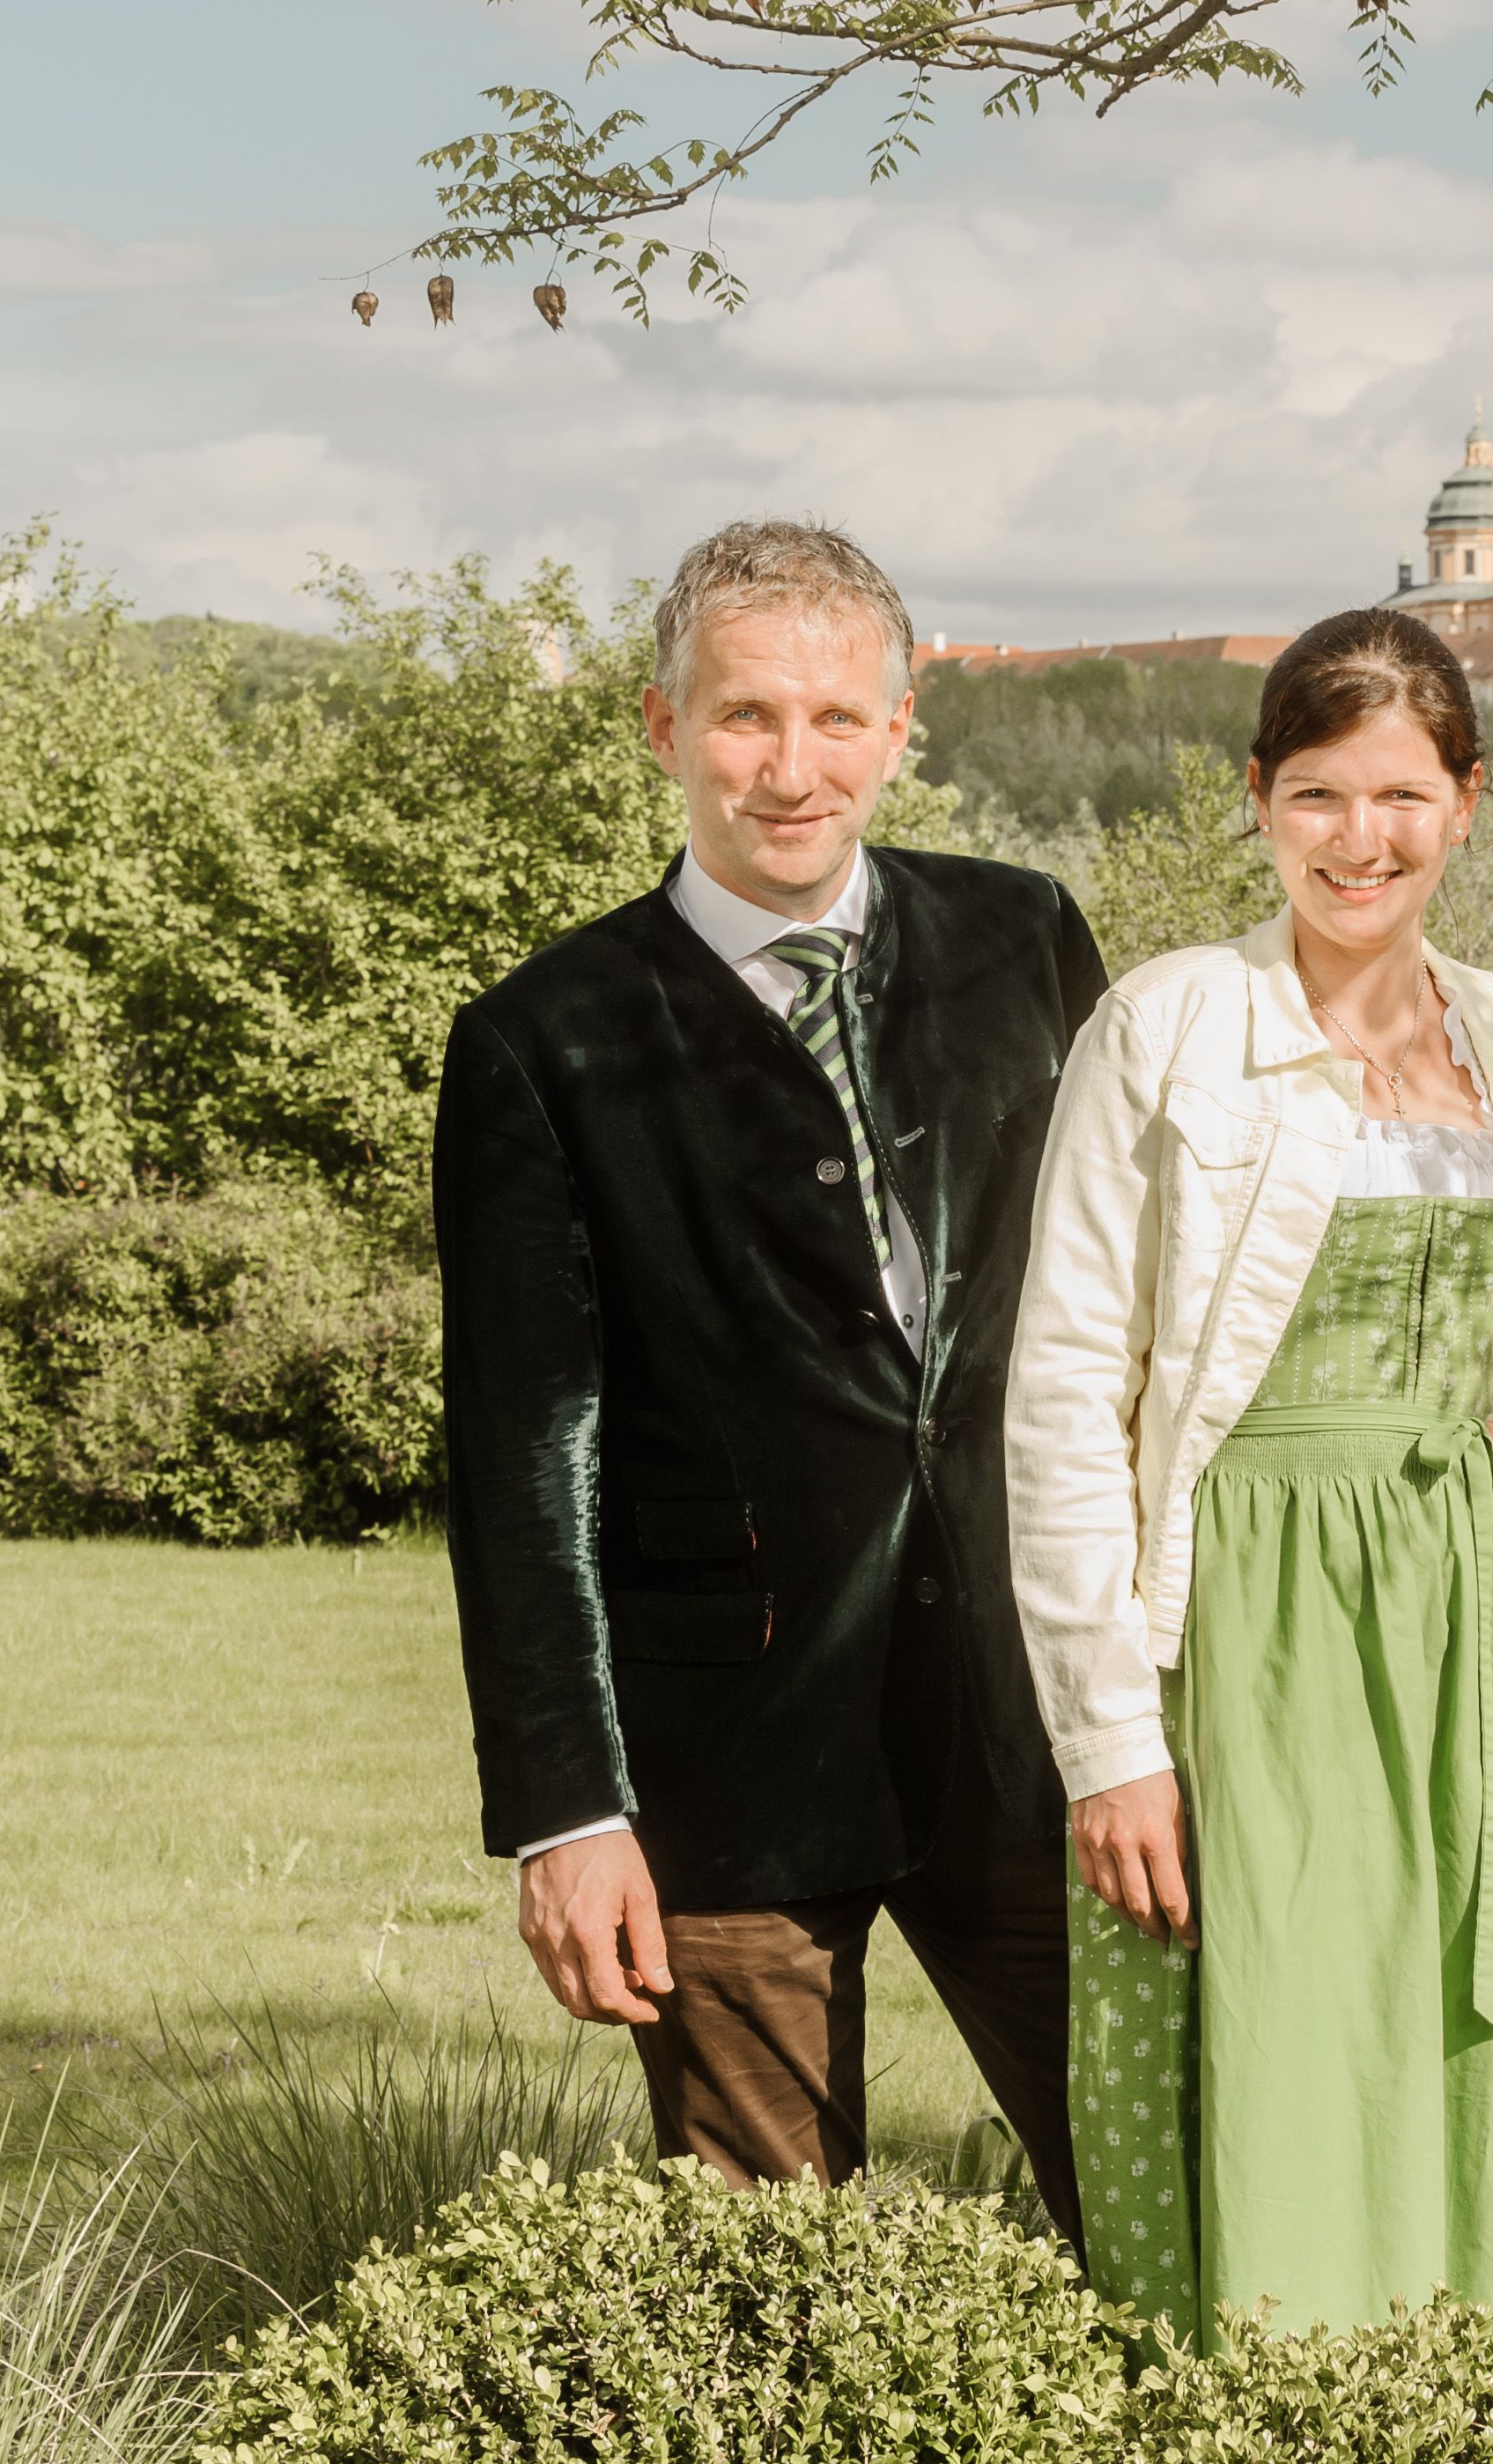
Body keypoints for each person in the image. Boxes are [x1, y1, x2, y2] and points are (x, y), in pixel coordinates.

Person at [434, 519, 1105, 2241]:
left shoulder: (1025, 943)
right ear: (663, 728)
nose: (788, 770)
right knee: (768, 2274)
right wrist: (564, 1811)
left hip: (1037, 1715)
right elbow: (524, 1450)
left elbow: (1133, 1324)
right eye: (744, 718)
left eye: (831, 720)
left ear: (900, 727)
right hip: (721, 1754)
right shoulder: (544, 1037)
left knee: (1163, 2204)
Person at [1005, 607, 1493, 2348]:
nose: (1361, 838)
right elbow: (1063, 1389)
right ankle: (1257, 2420)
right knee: (1271, 2034)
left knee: (1433, 2038)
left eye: (1401, 796)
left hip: (1444, 1615)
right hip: (1240, 1607)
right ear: (1257, 800)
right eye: (1318, 794)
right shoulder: (1171, 1024)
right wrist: (1109, 1738)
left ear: (1468, 804)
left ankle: (1443, 2417)